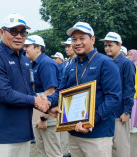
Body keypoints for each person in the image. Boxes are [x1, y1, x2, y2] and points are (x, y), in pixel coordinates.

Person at [0, 13, 50, 157]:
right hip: (1, 136)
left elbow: (28, 92)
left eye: (22, 32)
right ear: (1, 32)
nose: (19, 36)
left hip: (23, 134)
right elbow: (5, 94)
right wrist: (35, 101)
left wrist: (46, 108)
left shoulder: (24, 60)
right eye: (13, 31)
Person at [48, 22, 122, 157]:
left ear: (92, 39)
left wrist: (91, 120)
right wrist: (47, 103)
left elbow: (113, 98)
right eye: (74, 39)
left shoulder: (105, 63)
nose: (77, 42)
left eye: (82, 38)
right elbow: (60, 91)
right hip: (73, 132)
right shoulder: (70, 66)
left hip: (98, 134)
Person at [24, 35, 62, 157]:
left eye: (28, 46)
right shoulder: (34, 64)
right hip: (39, 111)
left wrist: (44, 118)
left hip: (48, 112)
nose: (25, 49)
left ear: (38, 48)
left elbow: (50, 92)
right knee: (42, 150)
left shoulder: (46, 63)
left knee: (52, 151)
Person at [100, 32, 136, 157]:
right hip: (106, 113)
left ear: (119, 45)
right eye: (105, 46)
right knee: (108, 148)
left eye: (110, 45)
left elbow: (129, 89)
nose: (107, 48)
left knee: (121, 149)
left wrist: (127, 111)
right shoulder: (105, 63)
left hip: (120, 113)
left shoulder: (127, 64)